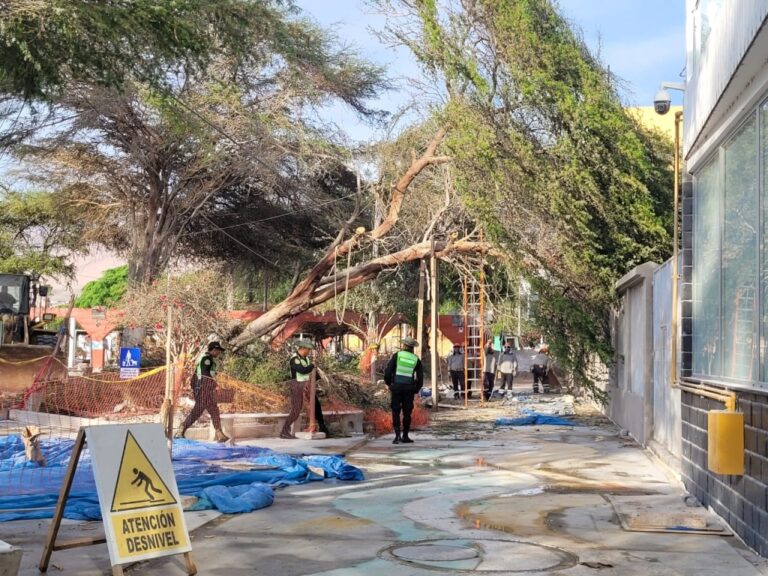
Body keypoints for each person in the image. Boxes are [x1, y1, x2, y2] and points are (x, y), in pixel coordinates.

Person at [176, 341, 229, 442]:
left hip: (207, 389)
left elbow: (209, 373)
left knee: (214, 410)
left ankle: (220, 434)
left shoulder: (209, 359)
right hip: (203, 388)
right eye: (218, 351)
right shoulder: (206, 359)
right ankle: (180, 430)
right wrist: (215, 385)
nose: (219, 353)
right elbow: (205, 374)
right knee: (198, 411)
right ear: (213, 350)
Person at [281, 339, 325, 439]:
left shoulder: (306, 359)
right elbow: (303, 370)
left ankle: (318, 426)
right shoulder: (294, 359)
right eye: (308, 349)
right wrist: (312, 366)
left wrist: (317, 377)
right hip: (297, 385)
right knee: (296, 409)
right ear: (303, 349)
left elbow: (311, 371)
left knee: (315, 405)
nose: (309, 352)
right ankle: (284, 431)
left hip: (307, 385)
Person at [384, 337, 423, 444]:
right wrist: (415, 389)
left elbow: (388, 371)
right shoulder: (416, 359)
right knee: (407, 413)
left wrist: (389, 384)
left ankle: (397, 437)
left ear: (404, 346)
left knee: (395, 412)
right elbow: (420, 378)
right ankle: (405, 436)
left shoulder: (397, 356)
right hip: (409, 389)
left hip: (396, 388)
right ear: (412, 347)